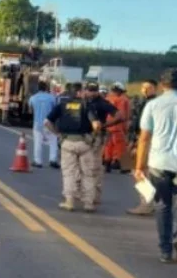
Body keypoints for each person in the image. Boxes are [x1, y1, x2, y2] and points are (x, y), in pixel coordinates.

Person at [45, 82, 116, 212]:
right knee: (88, 174)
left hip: (67, 142)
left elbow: (47, 122)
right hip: (85, 143)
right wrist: (93, 137)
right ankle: (89, 203)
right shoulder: (86, 105)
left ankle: (69, 202)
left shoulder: (62, 105)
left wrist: (57, 134)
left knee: (69, 173)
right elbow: (96, 125)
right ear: (79, 92)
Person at [134, 69, 177, 263]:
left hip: (159, 164)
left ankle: (165, 251)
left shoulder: (153, 105)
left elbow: (144, 138)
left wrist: (139, 166)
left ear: (161, 84)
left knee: (163, 205)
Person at [127, 79, 158, 216]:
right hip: (141, 139)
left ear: (155, 89)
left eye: (148, 87)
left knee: (140, 172)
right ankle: (149, 202)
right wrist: (132, 140)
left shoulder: (154, 104)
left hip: (148, 140)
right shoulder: (142, 102)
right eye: (143, 87)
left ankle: (146, 204)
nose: (145, 90)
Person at [29, 81, 59, 169]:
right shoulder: (52, 98)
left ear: (38, 88)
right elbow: (55, 110)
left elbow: (31, 110)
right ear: (46, 88)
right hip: (49, 123)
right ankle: (53, 160)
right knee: (53, 141)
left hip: (37, 124)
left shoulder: (33, 98)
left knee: (38, 143)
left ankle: (38, 161)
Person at [102, 82, 131, 173]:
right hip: (119, 127)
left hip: (108, 126)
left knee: (108, 146)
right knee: (121, 147)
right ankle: (125, 167)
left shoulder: (107, 99)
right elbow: (124, 115)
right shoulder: (123, 100)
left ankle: (107, 164)